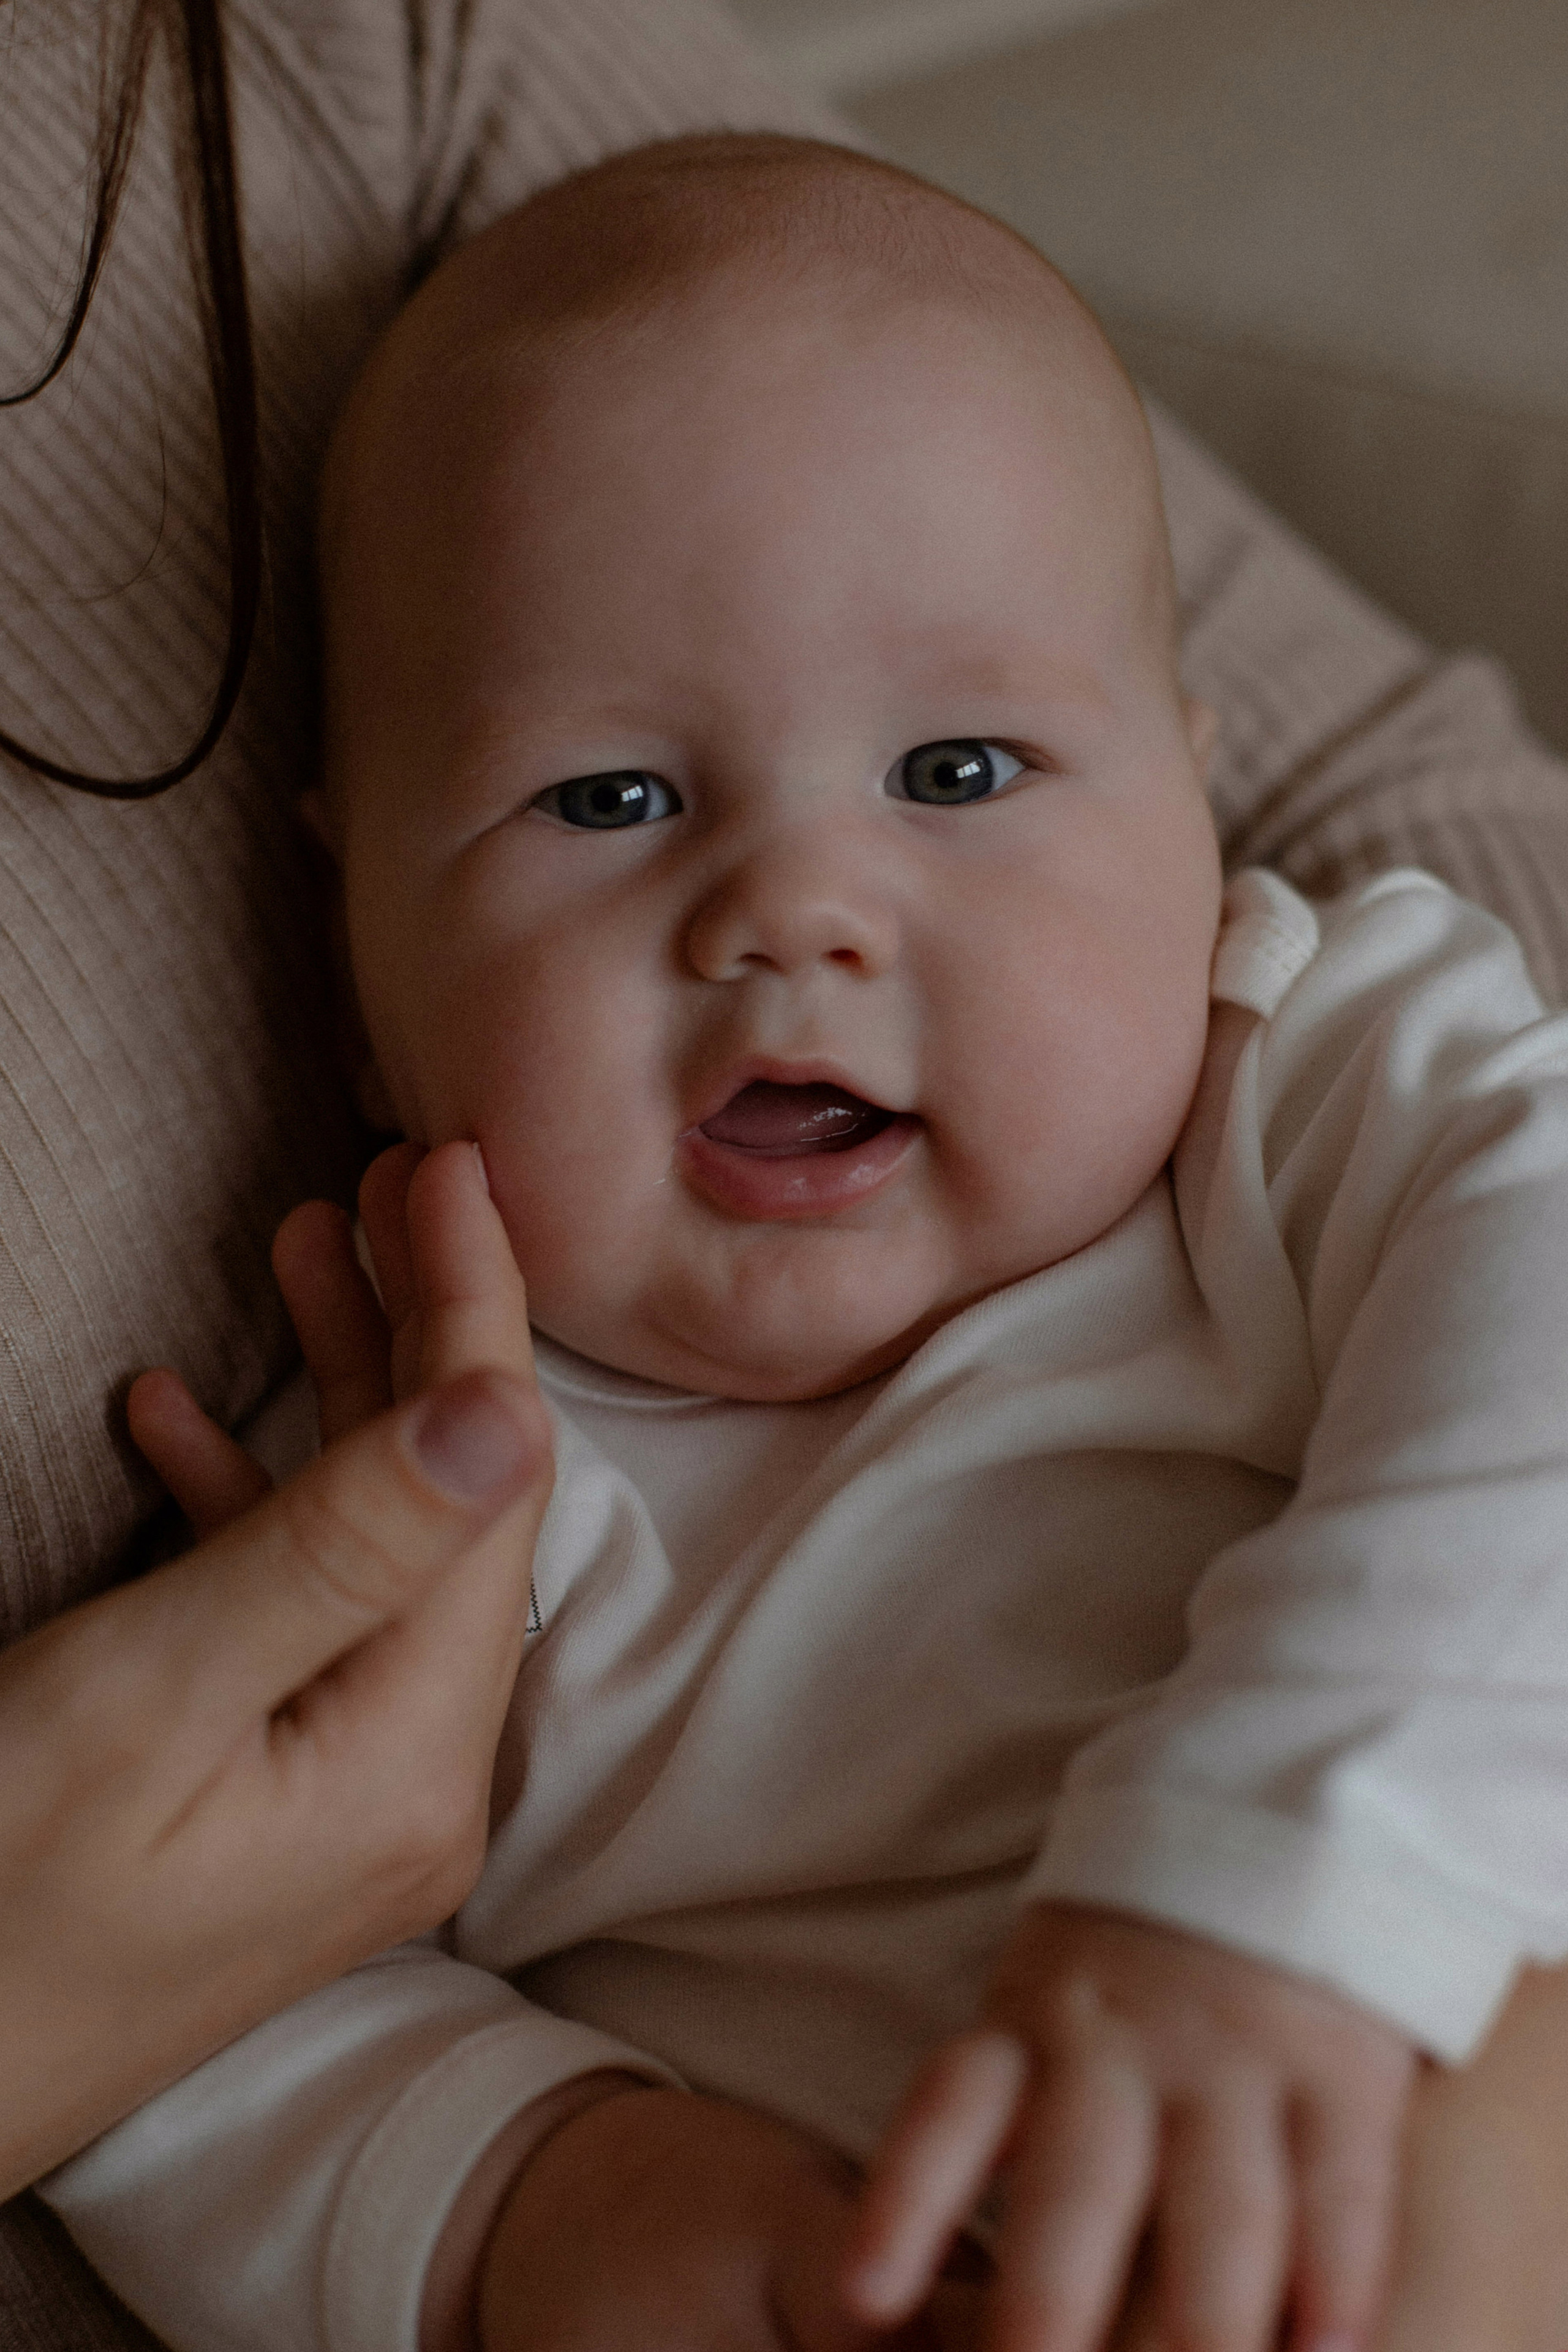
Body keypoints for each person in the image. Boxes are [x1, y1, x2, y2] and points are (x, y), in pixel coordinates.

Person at [36, 137, 1568, 2352]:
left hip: (1424, 2033)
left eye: (960, 770)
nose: (793, 913)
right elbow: (166, 2002)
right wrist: (532, 2194)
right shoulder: (403, 1484)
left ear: (1197, 817)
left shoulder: (1316, 1092)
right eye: (613, 801)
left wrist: (1270, 1883)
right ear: (356, 962)